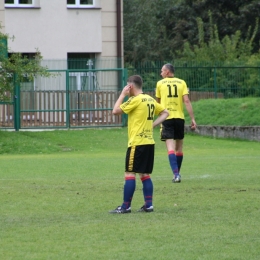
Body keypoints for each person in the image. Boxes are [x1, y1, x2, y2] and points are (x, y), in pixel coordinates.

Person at [109, 75, 169, 214]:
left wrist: (122, 95)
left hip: (137, 143)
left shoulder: (135, 100)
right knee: (144, 174)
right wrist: (153, 124)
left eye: (126, 87)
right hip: (149, 142)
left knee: (129, 173)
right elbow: (165, 112)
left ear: (130, 86)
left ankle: (125, 206)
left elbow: (115, 111)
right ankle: (148, 205)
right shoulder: (150, 99)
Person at [155, 63, 196, 183]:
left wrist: (158, 117)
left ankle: (176, 174)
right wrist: (192, 118)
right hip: (179, 118)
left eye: (162, 71)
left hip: (166, 118)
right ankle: (177, 174)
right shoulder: (182, 82)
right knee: (179, 148)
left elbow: (158, 103)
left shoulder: (159, 84)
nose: (161, 73)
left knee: (170, 148)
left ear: (167, 72)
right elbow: (187, 101)